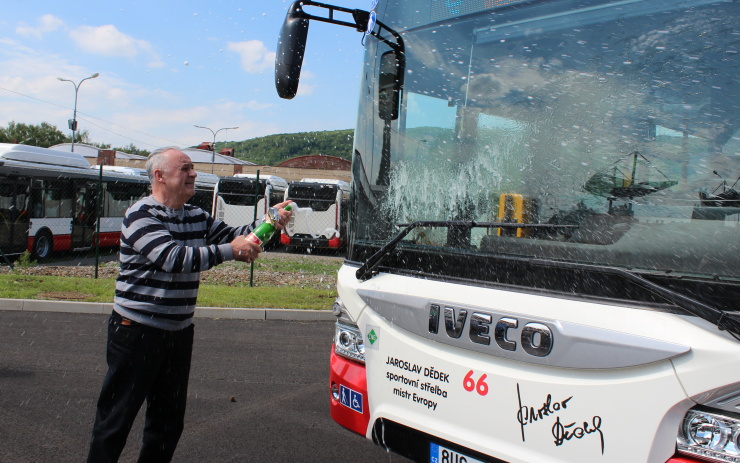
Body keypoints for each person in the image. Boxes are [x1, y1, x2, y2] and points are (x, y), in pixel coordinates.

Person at [86, 147, 291, 463]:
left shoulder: (196, 216)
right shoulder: (140, 215)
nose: (193, 174)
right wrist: (228, 251)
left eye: (192, 168)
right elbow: (172, 258)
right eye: (186, 168)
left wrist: (270, 221)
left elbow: (236, 236)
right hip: (136, 332)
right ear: (160, 176)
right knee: (116, 421)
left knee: (167, 425)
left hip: (178, 334)